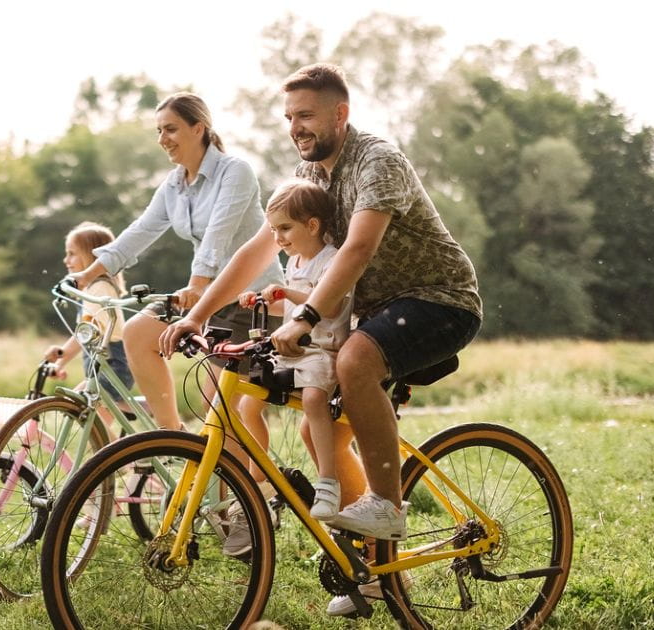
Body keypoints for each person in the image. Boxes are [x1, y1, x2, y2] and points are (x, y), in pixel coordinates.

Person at [159, 63, 481, 615]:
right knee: (321, 430)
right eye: (289, 117)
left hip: (439, 300)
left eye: (305, 115)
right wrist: (199, 314)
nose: (296, 127)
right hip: (374, 310)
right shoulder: (310, 178)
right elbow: (260, 250)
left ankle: (388, 506)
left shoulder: (377, 162)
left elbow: (356, 249)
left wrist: (304, 317)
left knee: (355, 361)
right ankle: (372, 571)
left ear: (340, 114)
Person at [72, 93, 284, 445]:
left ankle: (246, 492)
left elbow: (218, 233)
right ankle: (174, 439)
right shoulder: (174, 185)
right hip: (206, 296)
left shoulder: (235, 172)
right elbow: (141, 230)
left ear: (198, 128)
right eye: (159, 130)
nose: (162, 139)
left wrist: (198, 283)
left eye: (170, 129)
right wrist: (89, 272)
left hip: (252, 300)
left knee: (217, 406)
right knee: (139, 332)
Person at [237, 178, 355, 521]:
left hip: (323, 350)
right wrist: (263, 299)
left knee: (315, 401)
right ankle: (258, 478)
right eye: (274, 230)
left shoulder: (331, 260)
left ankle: (328, 482)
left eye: (285, 228)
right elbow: (290, 313)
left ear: (312, 225)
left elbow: (329, 308)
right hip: (292, 348)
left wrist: (286, 293)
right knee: (248, 400)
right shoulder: (296, 263)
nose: (278, 238)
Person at [43, 222, 133, 421]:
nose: (66, 260)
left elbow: (88, 333)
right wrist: (61, 357)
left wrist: (61, 359)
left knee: (85, 416)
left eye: (72, 253)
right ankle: (113, 451)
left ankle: (114, 453)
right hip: (105, 367)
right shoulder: (92, 289)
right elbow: (85, 334)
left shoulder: (100, 288)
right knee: (93, 425)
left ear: (92, 256)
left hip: (112, 367)